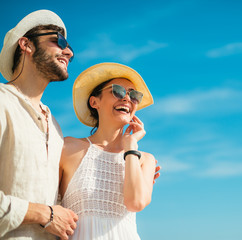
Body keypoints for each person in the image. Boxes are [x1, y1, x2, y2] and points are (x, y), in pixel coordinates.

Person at [0, 10, 78, 240]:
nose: (69, 51)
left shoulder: (54, 125)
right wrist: (44, 214)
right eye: (59, 40)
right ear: (26, 44)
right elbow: (51, 213)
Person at [58, 62, 156, 240]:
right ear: (94, 102)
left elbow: (135, 203)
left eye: (134, 95)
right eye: (117, 91)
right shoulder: (68, 148)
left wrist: (131, 146)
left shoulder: (145, 160)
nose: (127, 99)